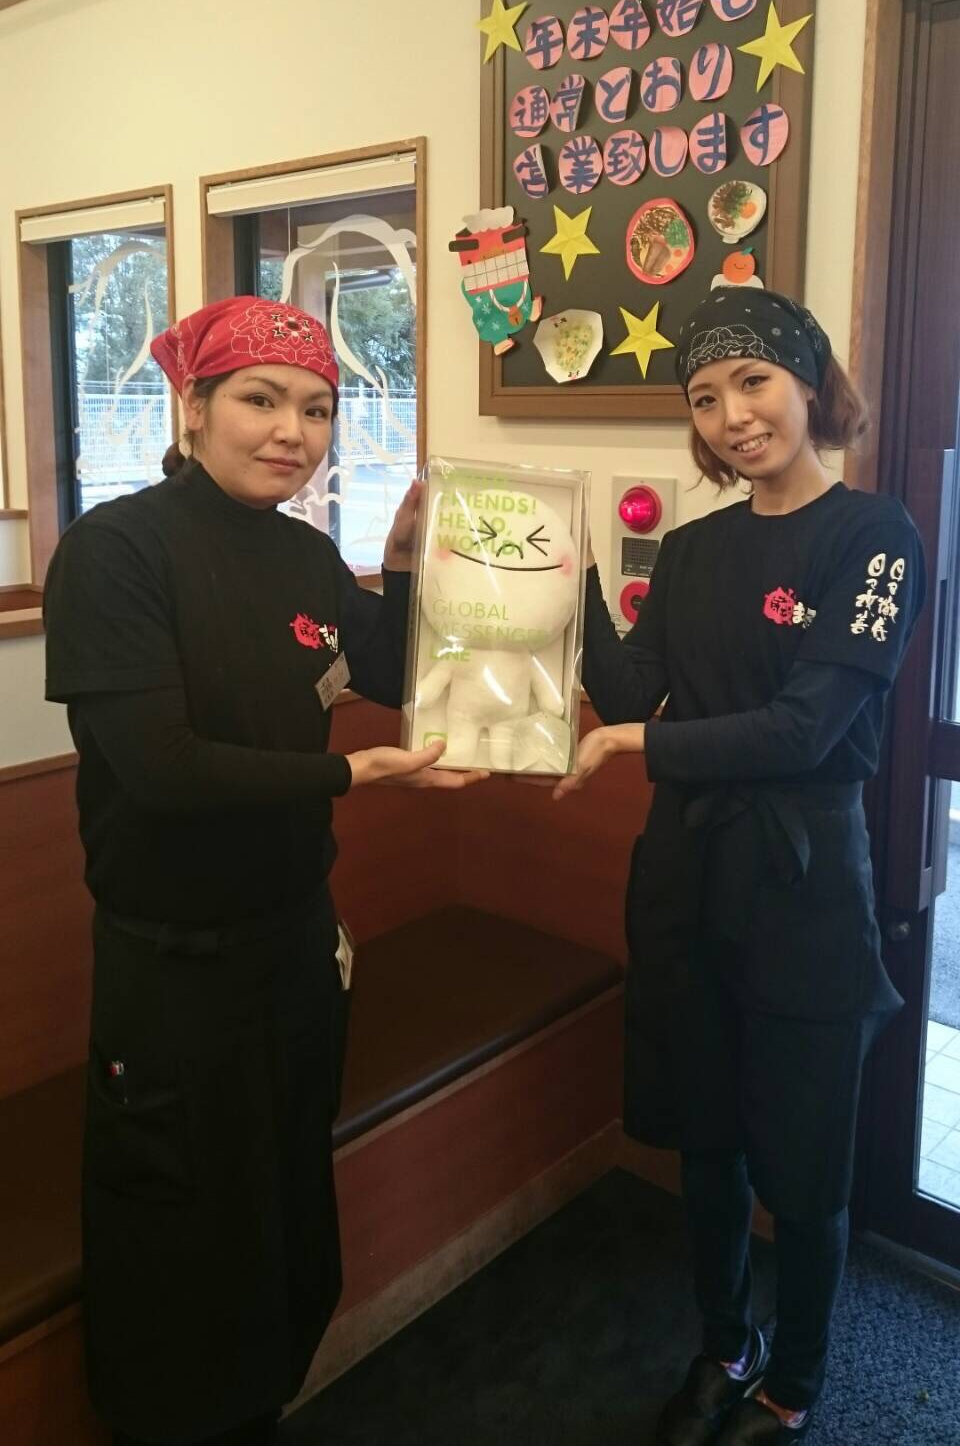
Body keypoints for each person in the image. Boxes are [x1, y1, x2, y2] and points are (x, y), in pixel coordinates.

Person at [43, 296, 482, 1446]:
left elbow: (392, 669)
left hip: (295, 946)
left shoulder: (304, 554)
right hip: (172, 971)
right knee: (175, 1220)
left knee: (283, 1201)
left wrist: (402, 565)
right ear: (192, 408)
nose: (293, 429)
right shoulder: (115, 551)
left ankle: (264, 1405)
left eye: (318, 408)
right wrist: (353, 776)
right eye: (260, 398)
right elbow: (160, 765)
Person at [557, 289, 925, 1443]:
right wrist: (561, 575)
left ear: (810, 383)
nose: (733, 416)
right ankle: (725, 1341)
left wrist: (636, 744)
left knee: (805, 1164)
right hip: (688, 873)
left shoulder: (876, 536)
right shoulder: (692, 548)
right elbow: (632, 688)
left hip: (806, 883)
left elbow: (807, 728)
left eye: (753, 382)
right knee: (706, 1140)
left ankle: (797, 1374)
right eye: (706, 397)